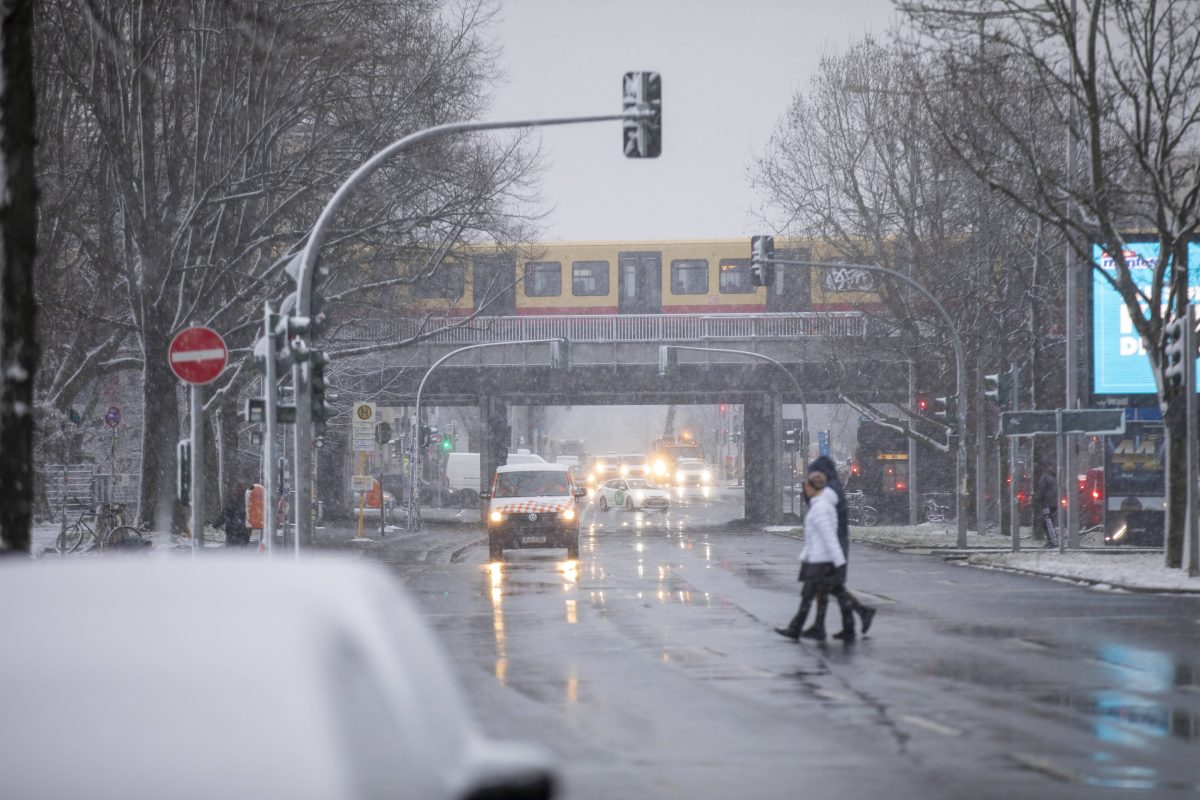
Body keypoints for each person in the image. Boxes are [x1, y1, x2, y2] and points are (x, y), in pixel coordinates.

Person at [803, 455, 875, 641]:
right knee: (830, 587)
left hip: (833, 546)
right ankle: (846, 624)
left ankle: (859, 614)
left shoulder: (829, 490)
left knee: (832, 587)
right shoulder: (831, 486)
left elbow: (816, 507)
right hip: (834, 544)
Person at [775, 471, 846, 642]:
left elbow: (828, 535)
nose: (804, 490)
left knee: (810, 595)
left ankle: (797, 628)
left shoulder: (820, 507)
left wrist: (839, 560)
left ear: (813, 487)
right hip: (818, 557)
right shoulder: (820, 504)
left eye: (806, 486)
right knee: (822, 594)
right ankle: (818, 627)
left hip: (820, 560)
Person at [1036, 464, 1059, 548]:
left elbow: (1042, 491)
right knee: (1047, 521)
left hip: (1047, 503)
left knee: (1047, 522)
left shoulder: (1044, 477)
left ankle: (1053, 541)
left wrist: (1038, 499)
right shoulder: (1054, 477)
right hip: (1054, 503)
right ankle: (1051, 540)